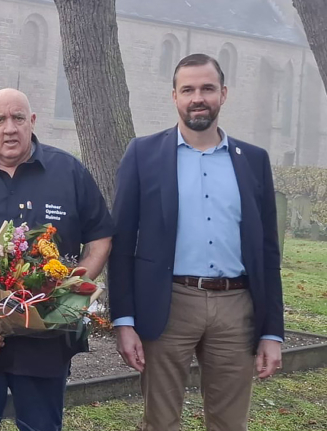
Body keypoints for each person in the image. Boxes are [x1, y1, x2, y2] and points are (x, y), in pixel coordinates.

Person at [109, 53, 284, 431]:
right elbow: (121, 244)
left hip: (237, 308)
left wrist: (272, 331)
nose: (197, 97)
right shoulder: (143, 155)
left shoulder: (253, 160)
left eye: (207, 88)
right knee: (160, 422)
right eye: (187, 89)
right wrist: (123, 320)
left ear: (223, 94)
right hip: (168, 304)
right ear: (174, 96)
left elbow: (268, 252)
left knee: (229, 424)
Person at [0, 88, 113, 431]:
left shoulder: (68, 172)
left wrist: (66, 294)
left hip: (45, 346)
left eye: (18, 118)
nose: (9, 128)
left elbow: (101, 236)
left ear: (32, 122)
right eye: (0, 120)